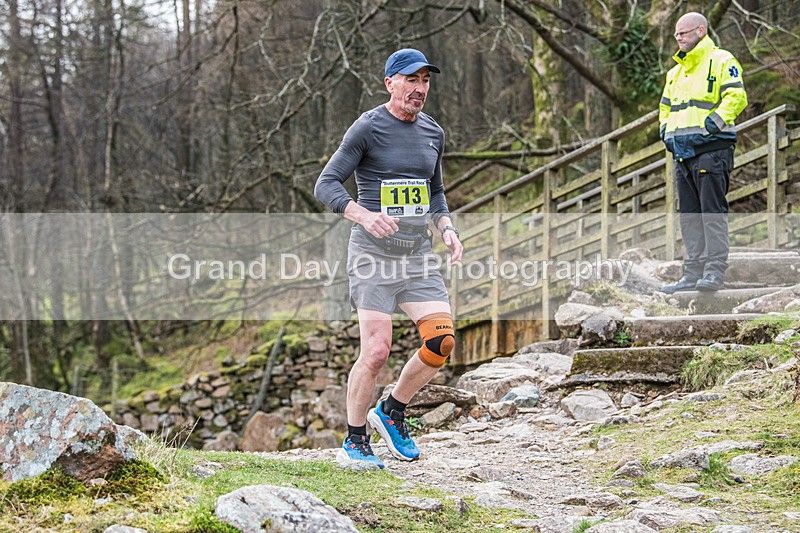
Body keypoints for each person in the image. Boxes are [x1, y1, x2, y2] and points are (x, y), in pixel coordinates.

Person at [314, 48, 463, 468]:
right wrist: (364, 215)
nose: (420, 88)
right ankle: (355, 439)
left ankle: (392, 410)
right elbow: (326, 184)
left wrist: (446, 227)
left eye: (426, 81)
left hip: (417, 254)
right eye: (411, 79)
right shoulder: (368, 127)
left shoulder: (433, 132)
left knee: (441, 341)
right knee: (377, 351)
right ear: (390, 83)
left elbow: (435, 192)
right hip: (372, 254)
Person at [659, 12, 748, 294]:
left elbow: (737, 97)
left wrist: (712, 125)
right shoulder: (675, 73)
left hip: (712, 150)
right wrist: (665, 131)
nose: (678, 37)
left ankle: (714, 271)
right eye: (676, 33)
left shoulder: (722, 60)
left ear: (700, 31)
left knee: (711, 213)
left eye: (683, 32)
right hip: (682, 154)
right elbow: (665, 108)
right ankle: (692, 273)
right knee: (689, 216)